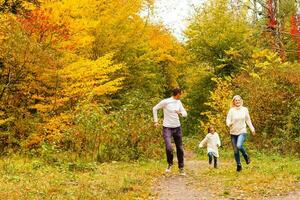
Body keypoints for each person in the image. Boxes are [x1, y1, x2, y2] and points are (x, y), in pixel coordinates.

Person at [153, 88, 187, 175]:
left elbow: (185, 113)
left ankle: (181, 167)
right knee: (168, 147)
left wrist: (180, 113)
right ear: (178, 94)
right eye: (181, 94)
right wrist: (156, 121)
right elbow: (155, 108)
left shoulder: (179, 102)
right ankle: (170, 164)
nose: (181, 95)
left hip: (177, 127)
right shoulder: (166, 101)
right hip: (167, 128)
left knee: (180, 148)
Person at [226, 95, 255, 172]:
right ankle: (239, 165)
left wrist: (252, 129)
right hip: (233, 132)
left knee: (239, 145)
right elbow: (228, 120)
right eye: (236, 100)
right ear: (234, 102)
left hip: (242, 131)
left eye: (238, 100)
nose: (237, 101)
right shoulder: (231, 110)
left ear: (241, 101)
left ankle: (245, 155)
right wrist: (229, 124)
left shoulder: (245, 109)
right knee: (235, 150)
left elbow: (248, 120)